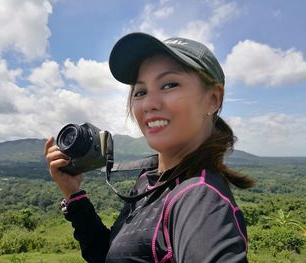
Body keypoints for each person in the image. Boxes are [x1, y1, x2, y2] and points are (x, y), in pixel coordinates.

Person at [44, 32, 254, 263]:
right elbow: (109, 255)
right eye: (140, 92)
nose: (149, 103)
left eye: (169, 84)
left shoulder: (199, 198)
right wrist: (73, 194)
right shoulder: (151, 180)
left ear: (213, 99)